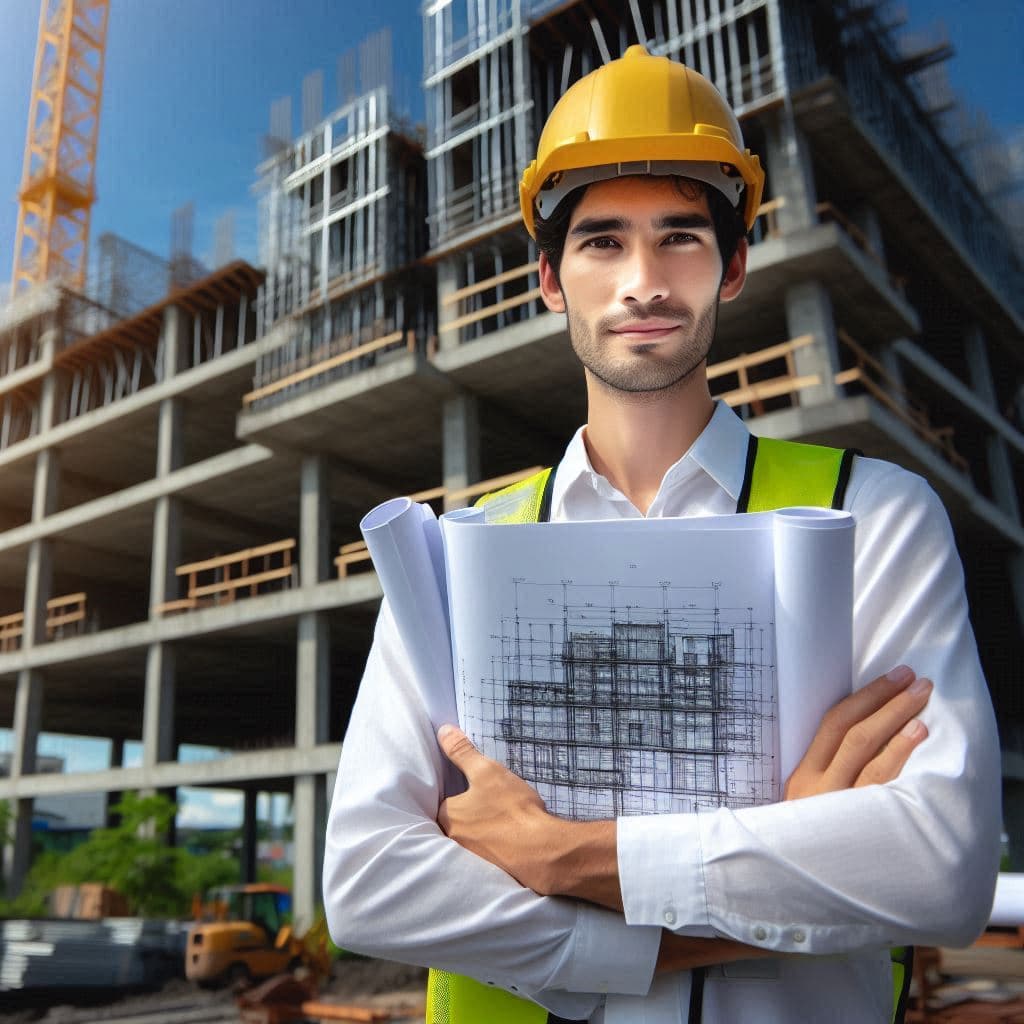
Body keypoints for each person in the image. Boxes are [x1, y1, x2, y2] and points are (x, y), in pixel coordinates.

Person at [323, 46, 1000, 1023]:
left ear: (731, 267)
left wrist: (565, 856)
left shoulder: (873, 517)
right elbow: (368, 882)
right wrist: (771, 865)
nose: (642, 280)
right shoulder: (453, 554)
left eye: (679, 236)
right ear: (549, 279)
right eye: (601, 242)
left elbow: (939, 867)